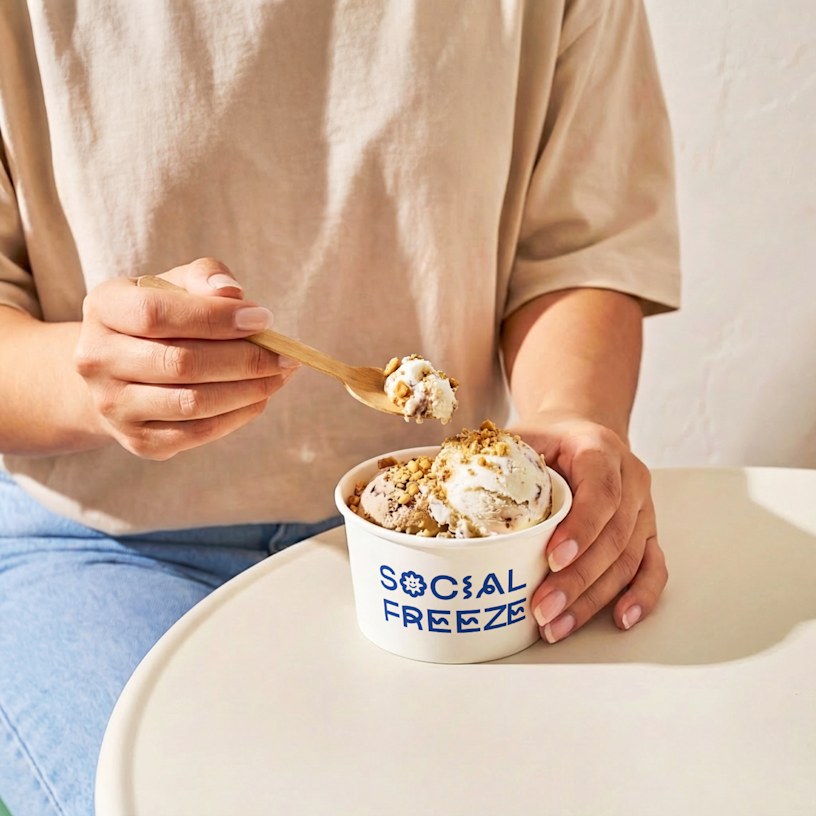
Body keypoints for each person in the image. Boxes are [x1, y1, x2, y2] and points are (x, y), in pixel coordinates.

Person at [0, 1, 680, 814]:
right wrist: (94, 382)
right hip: (106, 549)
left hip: (449, 551)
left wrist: (573, 420)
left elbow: (579, 244)